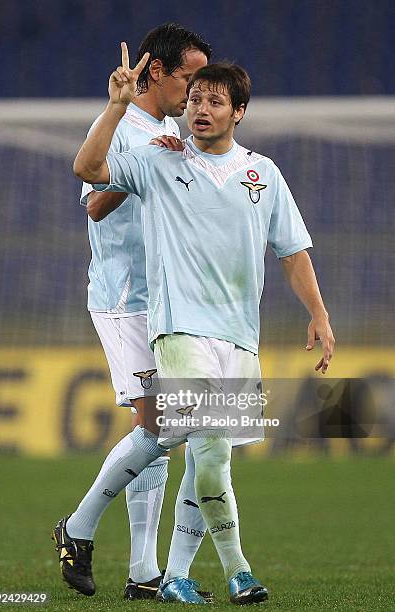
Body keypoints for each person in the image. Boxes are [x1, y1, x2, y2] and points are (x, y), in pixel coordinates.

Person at [73, 43, 335, 604]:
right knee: (208, 448)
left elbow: (292, 251)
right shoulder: (161, 160)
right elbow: (89, 172)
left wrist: (318, 312)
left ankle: (174, 574)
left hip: (240, 335)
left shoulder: (261, 173)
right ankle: (239, 571)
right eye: (194, 98)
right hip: (178, 329)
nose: (201, 109)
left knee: (202, 457)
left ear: (238, 111)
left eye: (215, 100)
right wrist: (116, 107)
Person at [52, 24, 212, 600]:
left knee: (166, 430)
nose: (196, 91)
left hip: (169, 300)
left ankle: (143, 572)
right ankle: (78, 526)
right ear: (155, 71)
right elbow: (95, 204)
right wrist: (146, 163)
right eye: (189, 78)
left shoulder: (174, 130)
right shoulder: (123, 125)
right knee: (165, 425)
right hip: (126, 300)